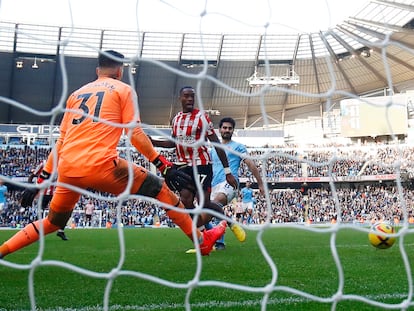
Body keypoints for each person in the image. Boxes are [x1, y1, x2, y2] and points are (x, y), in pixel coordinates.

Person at [0, 50, 225, 259]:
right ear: (120, 71)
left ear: (97, 71)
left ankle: (2, 250)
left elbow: (61, 142)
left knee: (53, 222)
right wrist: (162, 163)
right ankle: (201, 240)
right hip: (102, 165)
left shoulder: (76, 95)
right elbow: (135, 134)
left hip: (68, 169)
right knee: (160, 189)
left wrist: (42, 180)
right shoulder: (124, 90)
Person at [150, 86, 245, 243]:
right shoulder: (176, 119)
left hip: (201, 165)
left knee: (204, 204)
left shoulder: (202, 118)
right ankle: (203, 238)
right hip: (182, 166)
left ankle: (230, 223)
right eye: (186, 96)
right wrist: (153, 141)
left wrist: (228, 172)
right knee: (186, 202)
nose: (189, 99)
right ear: (180, 98)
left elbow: (216, 144)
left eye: (192, 97)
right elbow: (173, 142)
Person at [209, 117, 264, 249]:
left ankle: (230, 224)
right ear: (219, 130)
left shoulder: (238, 147)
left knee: (215, 204)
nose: (227, 130)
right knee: (208, 212)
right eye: (224, 128)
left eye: (229, 128)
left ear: (233, 130)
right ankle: (217, 242)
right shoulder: (213, 149)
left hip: (230, 183)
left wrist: (260, 183)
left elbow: (250, 163)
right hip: (214, 185)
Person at [24, 161, 69, 240]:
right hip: (42, 194)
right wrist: (28, 186)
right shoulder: (44, 164)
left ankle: (61, 231)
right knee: (40, 214)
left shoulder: (62, 165)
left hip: (54, 193)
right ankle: (35, 233)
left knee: (63, 211)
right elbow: (33, 175)